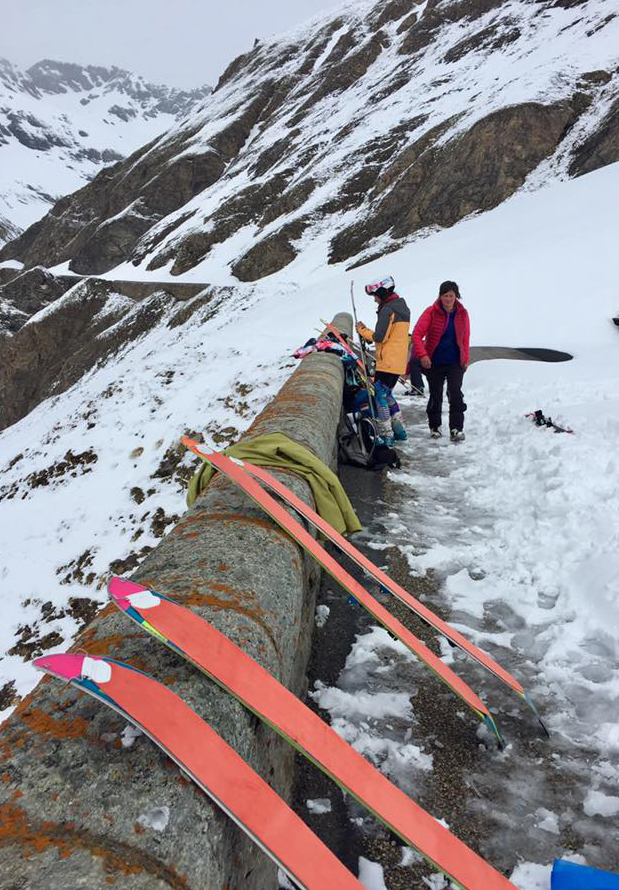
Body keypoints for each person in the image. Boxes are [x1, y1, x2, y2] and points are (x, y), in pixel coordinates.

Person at [356, 275, 410, 446]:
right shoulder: (402, 307)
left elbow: (379, 337)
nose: (374, 300)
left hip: (386, 362)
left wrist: (362, 330)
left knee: (380, 395)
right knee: (387, 394)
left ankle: (387, 435)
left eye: (375, 296)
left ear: (383, 292)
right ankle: (400, 430)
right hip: (398, 362)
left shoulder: (388, 310)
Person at [412, 280, 470, 441]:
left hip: (455, 362)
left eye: (451, 295)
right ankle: (435, 426)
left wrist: (466, 359)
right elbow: (416, 335)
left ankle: (456, 428)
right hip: (434, 362)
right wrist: (423, 355)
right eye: (445, 295)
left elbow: (465, 337)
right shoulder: (431, 312)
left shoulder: (462, 313)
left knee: (456, 394)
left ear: (456, 296)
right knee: (436, 394)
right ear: (440, 296)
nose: (448, 299)